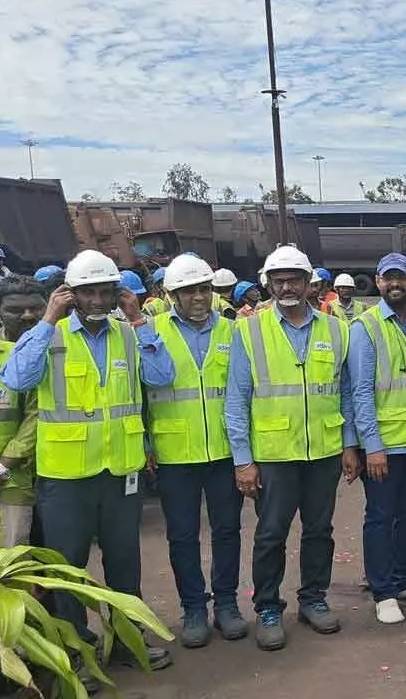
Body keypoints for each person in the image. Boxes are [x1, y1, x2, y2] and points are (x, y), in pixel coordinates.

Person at [0, 249, 176, 687]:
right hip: (65, 477)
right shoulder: (49, 334)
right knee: (67, 569)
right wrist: (46, 320)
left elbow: (161, 376)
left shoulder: (128, 333)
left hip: (120, 472)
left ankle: (126, 640)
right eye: (87, 292)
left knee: (124, 562)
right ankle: (76, 650)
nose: (97, 300)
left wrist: (139, 320)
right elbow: (17, 379)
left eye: (105, 292)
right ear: (71, 294)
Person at [224, 245, 359, 651]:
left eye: (294, 280)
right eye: (278, 280)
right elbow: (236, 399)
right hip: (273, 454)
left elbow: (347, 392)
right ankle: (268, 608)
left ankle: (313, 599)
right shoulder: (248, 331)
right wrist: (243, 459)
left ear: (308, 284)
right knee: (270, 534)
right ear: (268, 284)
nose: (286, 287)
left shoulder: (336, 329)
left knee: (320, 530)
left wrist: (350, 444)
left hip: (323, 451)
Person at [147, 254, 249, 649]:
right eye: (189, 291)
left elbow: (243, 394)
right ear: (171, 294)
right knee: (183, 536)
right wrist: (146, 444)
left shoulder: (233, 330)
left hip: (223, 451)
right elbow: (139, 392)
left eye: (204, 289)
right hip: (175, 454)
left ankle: (226, 604)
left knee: (227, 531)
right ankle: (193, 607)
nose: (199, 297)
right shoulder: (151, 331)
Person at [347, 253, 406, 625]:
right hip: (384, 443)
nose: (395, 284)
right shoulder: (365, 327)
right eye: (388, 279)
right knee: (381, 516)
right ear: (379, 282)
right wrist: (372, 445)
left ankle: (403, 581)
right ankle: (383, 590)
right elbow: (360, 391)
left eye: (401, 277)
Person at [0, 275, 45, 547]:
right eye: (16, 310)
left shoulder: (12, 357)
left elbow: (37, 414)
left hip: (17, 479)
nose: (28, 317)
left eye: (34, 309)